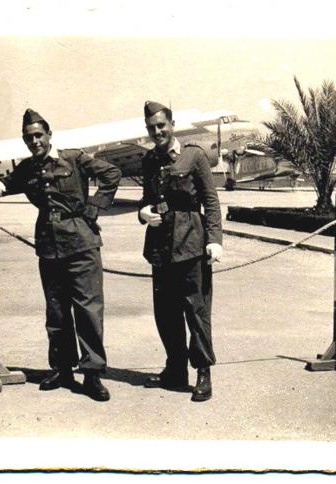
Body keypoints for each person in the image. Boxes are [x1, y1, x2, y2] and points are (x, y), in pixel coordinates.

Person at [0, 109, 121, 402]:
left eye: (39, 135)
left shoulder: (73, 158)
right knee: (56, 312)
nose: (35, 141)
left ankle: (92, 374)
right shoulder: (27, 168)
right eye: (29, 138)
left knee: (88, 311)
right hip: (49, 247)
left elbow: (112, 173)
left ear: (49, 135)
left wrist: (95, 206)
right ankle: (62, 369)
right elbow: (8, 183)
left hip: (81, 245)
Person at [138, 101, 223, 402]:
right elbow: (146, 199)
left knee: (196, 310)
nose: (157, 131)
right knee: (166, 312)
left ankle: (203, 372)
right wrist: (143, 213)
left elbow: (211, 201)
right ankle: (175, 368)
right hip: (160, 246)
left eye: (161, 125)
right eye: (152, 128)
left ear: (172, 125)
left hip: (190, 242)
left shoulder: (193, 155)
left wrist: (215, 239)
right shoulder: (149, 160)